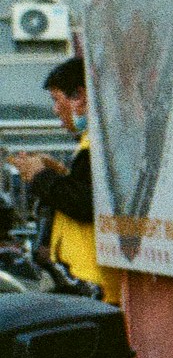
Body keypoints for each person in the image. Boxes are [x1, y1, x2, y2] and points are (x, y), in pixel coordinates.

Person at [7, 55, 115, 297]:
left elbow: (84, 203)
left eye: (57, 100)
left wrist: (40, 176)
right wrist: (60, 173)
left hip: (95, 282)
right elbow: (87, 189)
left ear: (79, 96)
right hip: (87, 277)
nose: (56, 111)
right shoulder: (92, 141)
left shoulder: (97, 145)